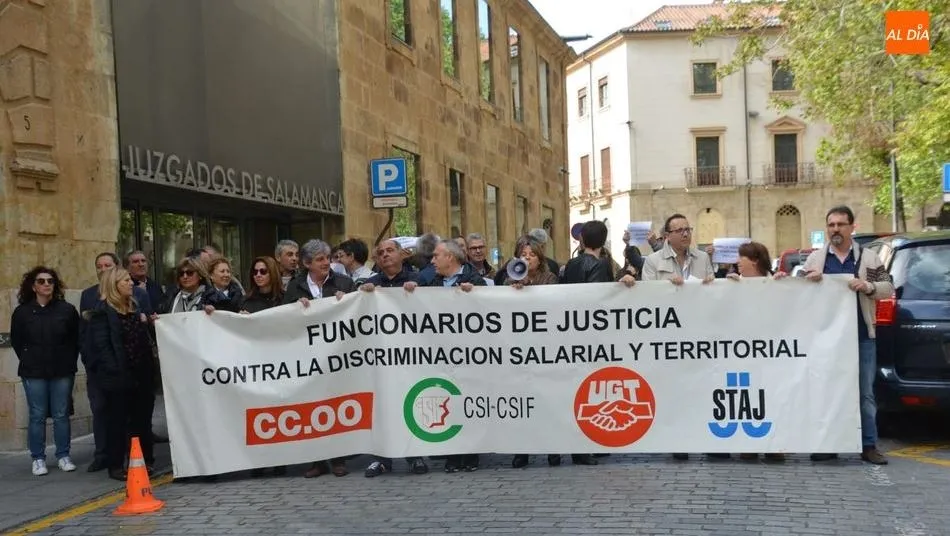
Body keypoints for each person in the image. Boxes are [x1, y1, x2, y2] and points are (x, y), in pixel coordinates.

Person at [794, 205, 893, 465]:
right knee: (827, 389)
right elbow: (798, 290)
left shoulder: (869, 258)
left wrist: (868, 286)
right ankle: (829, 444)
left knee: (865, 393)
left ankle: (868, 445)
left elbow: (887, 287)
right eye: (831, 225)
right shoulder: (816, 259)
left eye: (840, 224)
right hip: (825, 339)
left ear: (852, 227)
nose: (835, 229)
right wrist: (808, 280)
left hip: (862, 336)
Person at [403, 239, 485, 472]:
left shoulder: (475, 280)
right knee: (448, 399)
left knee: (468, 401)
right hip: (441, 354)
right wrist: (411, 291)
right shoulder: (430, 281)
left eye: (436, 255)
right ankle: (453, 453)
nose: (432, 260)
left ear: (450, 257)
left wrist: (476, 294)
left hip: (470, 353)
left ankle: (471, 454)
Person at [284, 239, 356, 478]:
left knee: (336, 403)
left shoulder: (344, 283)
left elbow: (358, 312)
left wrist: (347, 301)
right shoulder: (295, 286)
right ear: (307, 264)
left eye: (327, 258)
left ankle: (338, 458)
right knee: (311, 405)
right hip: (308, 357)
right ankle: (316, 460)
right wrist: (295, 307)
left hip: (337, 356)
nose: (326, 263)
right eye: (320, 259)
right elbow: (284, 317)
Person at [359, 239, 429, 477]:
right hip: (381, 358)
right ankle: (381, 459)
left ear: (402, 254)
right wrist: (362, 295)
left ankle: (414, 455)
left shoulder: (419, 280)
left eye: (390, 251)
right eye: (381, 253)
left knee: (411, 403)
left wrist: (417, 292)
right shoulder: (370, 283)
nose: (385, 255)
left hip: (410, 355)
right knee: (382, 407)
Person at [83, 268, 158, 481]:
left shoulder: (135, 309)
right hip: (118, 377)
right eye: (125, 280)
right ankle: (115, 465)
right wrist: (116, 371)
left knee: (142, 421)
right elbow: (102, 348)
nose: (131, 283)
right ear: (114, 285)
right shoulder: (102, 313)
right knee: (117, 422)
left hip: (141, 373)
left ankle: (144, 461)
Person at [11, 267, 80, 476]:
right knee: (37, 415)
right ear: (33, 287)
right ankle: (38, 458)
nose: (46, 284)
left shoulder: (66, 310)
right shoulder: (22, 312)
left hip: (62, 370)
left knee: (61, 414)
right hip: (33, 371)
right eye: (41, 281)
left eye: (50, 281)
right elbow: (17, 341)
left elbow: (75, 339)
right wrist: (30, 358)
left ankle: (63, 455)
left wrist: (68, 360)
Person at [724, 242, 786, 463]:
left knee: (772, 393)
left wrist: (783, 284)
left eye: (742, 257)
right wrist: (726, 287)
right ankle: (749, 443)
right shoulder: (734, 283)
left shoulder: (776, 282)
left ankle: (775, 444)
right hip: (743, 351)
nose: (737, 262)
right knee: (747, 393)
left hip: (770, 351)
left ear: (755, 260)